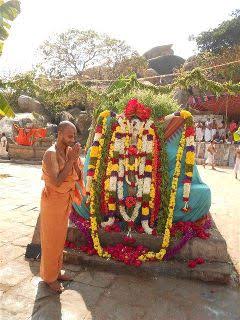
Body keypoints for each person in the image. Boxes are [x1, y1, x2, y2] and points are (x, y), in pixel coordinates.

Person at [40, 121, 85, 293]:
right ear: (59, 133)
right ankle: (49, 278)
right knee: (51, 240)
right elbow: (57, 182)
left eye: (74, 136)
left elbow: (78, 175)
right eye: (70, 135)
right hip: (52, 203)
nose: (73, 139)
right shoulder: (50, 154)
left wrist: (74, 160)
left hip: (65, 201)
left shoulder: (68, 151)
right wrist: (71, 159)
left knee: (59, 240)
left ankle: (56, 271)